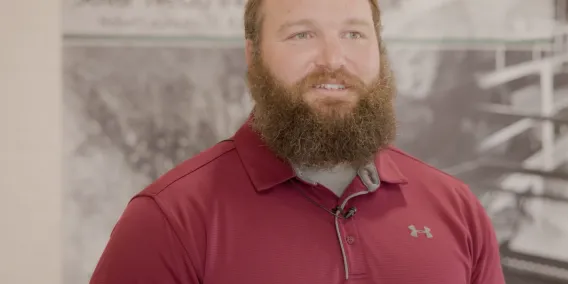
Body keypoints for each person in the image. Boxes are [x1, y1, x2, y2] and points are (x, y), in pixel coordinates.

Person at [89, 0, 505, 283]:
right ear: (253, 56)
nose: (333, 59)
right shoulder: (167, 221)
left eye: (354, 34)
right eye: (302, 35)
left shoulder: (458, 209)